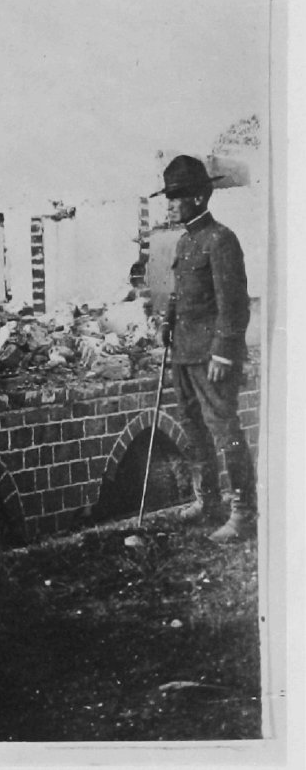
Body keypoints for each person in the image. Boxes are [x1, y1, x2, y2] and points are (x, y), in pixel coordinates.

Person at [152, 154, 256, 542]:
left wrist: (224, 352)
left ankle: (243, 512)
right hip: (183, 353)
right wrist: (167, 322)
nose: (170, 203)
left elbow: (234, 303)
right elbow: (181, 293)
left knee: (224, 430)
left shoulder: (221, 240)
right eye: (169, 196)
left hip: (211, 357)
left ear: (198, 198)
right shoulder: (185, 241)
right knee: (194, 430)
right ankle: (207, 501)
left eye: (177, 196)